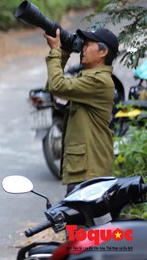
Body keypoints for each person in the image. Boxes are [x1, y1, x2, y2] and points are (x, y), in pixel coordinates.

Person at [44, 28, 118, 193]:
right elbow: (53, 87)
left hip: (90, 172)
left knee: (82, 219)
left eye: (88, 44)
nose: (82, 48)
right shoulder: (89, 77)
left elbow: (57, 85)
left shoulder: (100, 80)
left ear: (103, 52)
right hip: (85, 171)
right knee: (79, 219)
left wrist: (56, 51)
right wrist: (63, 54)